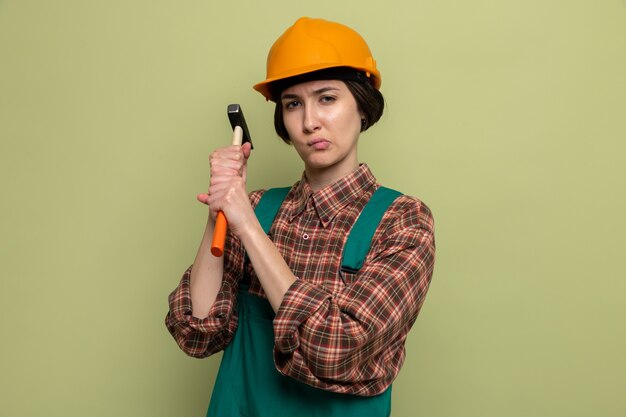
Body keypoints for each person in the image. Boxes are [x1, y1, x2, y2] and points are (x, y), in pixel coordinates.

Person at [165, 17, 436, 417]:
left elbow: (336, 349)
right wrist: (219, 210)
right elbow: (198, 332)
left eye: (327, 98)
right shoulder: (255, 208)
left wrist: (247, 226)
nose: (309, 122)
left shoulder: (404, 222)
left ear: (362, 106)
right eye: (293, 104)